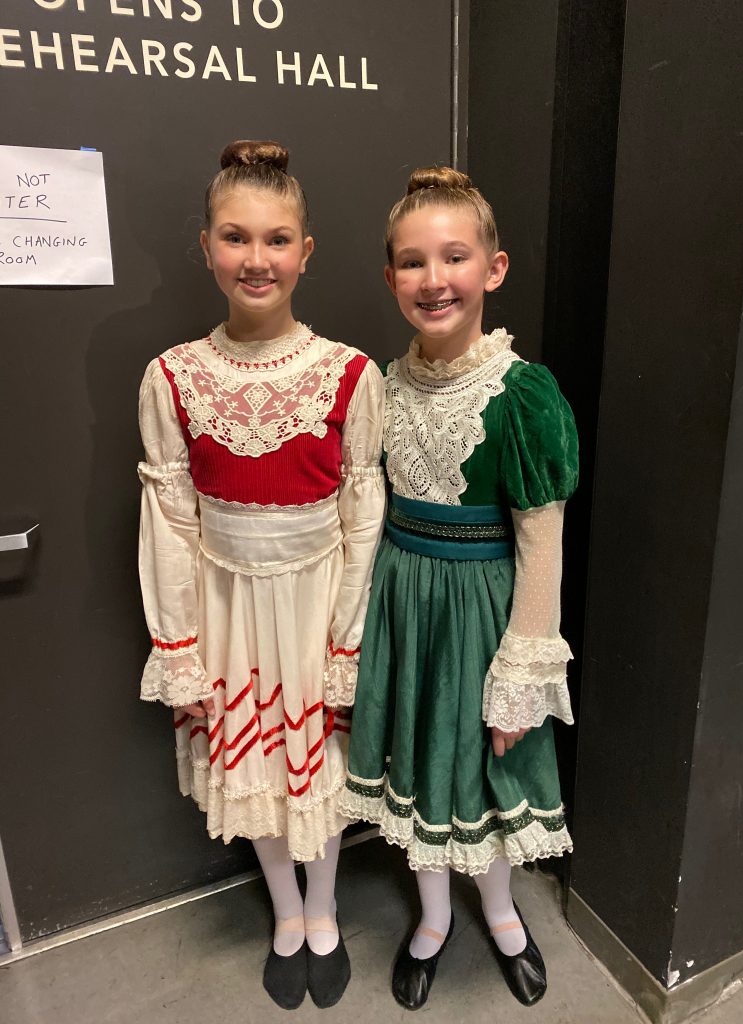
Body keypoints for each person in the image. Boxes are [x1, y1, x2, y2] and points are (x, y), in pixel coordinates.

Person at [137, 140, 385, 1010]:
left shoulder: (349, 374)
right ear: (206, 246)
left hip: (317, 605)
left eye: (277, 239)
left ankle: (326, 906)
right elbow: (171, 523)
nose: (257, 258)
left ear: (305, 252)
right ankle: (286, 909)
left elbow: (363, 518)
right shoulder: (172, 377)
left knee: (318, 770)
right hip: (227, 609)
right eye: (236, 237)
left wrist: (347, 639)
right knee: (255, 773)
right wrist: (179, 646)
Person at [339, 166, 578, 1010]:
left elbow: (541, 545)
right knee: (419, 758)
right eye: (412, 262)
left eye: (454, 257)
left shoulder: (522, 394)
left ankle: (502, 910)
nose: (433, 279)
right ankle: (434, 916)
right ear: (390, 277)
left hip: (482, 611)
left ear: (493, 268)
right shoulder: (381, 386)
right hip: (405, 605)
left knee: (483, 765)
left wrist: (522, 671)